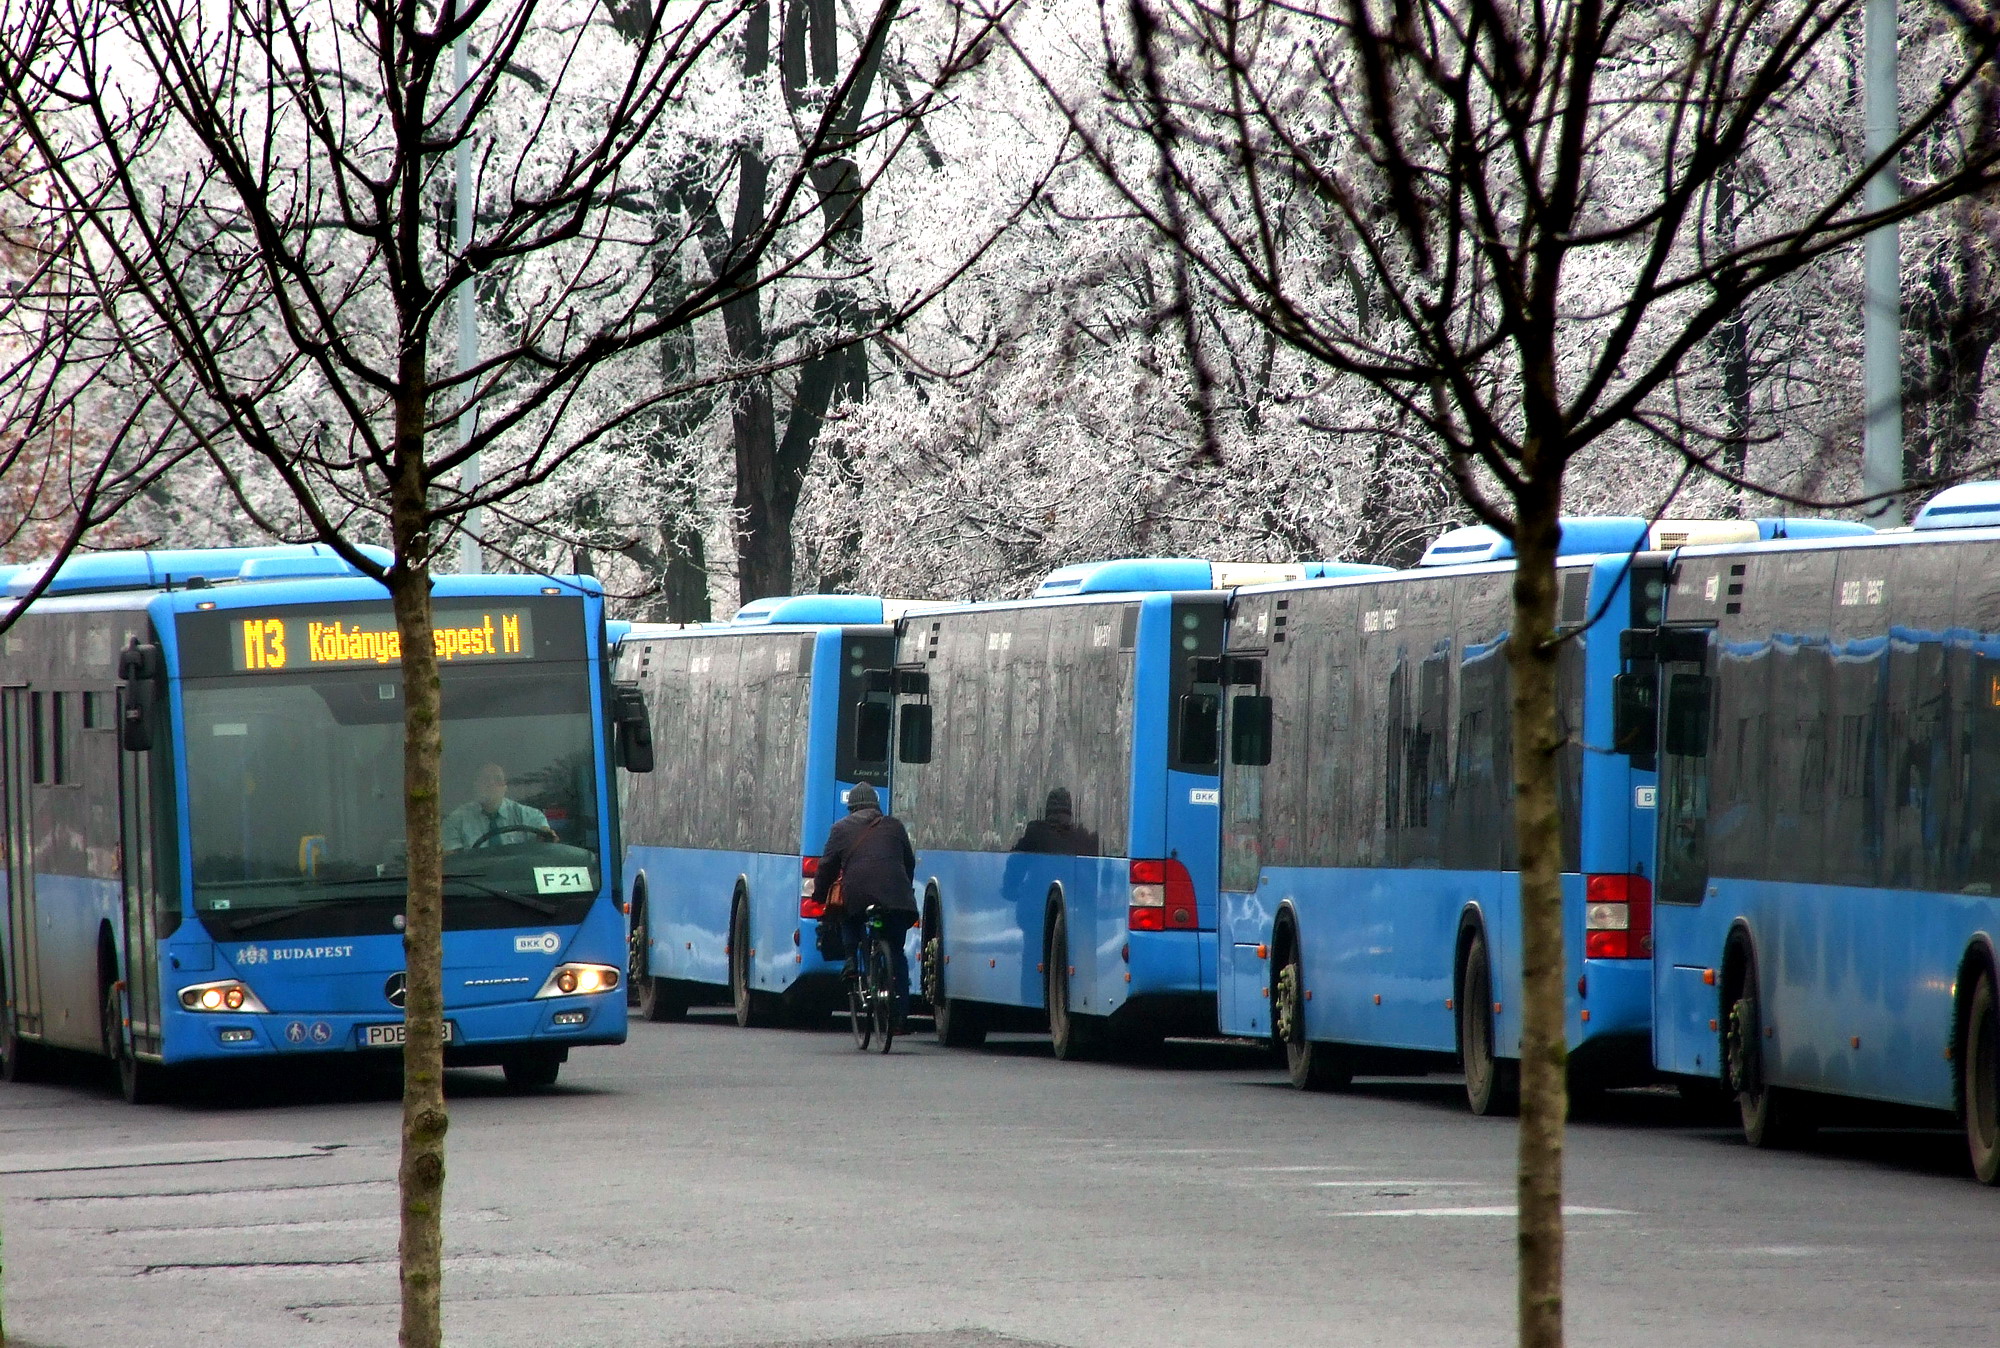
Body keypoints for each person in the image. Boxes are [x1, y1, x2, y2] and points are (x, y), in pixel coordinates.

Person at [810, 782, 917, 1022]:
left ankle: (850, 961)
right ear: (876, 807)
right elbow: (908, 863)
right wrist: (905, 888)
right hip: (897, 898)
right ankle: (900, 1017)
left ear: (852, 807)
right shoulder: (895, 826)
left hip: (859, 896)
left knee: (848, 915)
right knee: (897, 952)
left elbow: (827, 867)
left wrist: (819, 896)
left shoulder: (840, 829)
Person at [442, 762, 555, 851]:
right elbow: (453, 861)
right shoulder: (455, 821)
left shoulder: (531, 817)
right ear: (475, 785)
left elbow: (545, 851)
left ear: (505, 787)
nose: (491, 784)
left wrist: (546, 838)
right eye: (485, 779)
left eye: (497, 779)